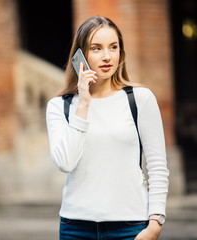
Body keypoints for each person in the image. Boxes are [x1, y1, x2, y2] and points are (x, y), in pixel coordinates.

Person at [46, 15, 169, 240]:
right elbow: (65, 162)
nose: (106, 56)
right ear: (80, 56)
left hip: (130, 228)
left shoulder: (140, 99)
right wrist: (83, 103)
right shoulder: (59, 107)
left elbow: (158, 166)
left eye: (113, 47)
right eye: (96, 48)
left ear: (121, 53)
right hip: (76, 229)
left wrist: (155, 224)